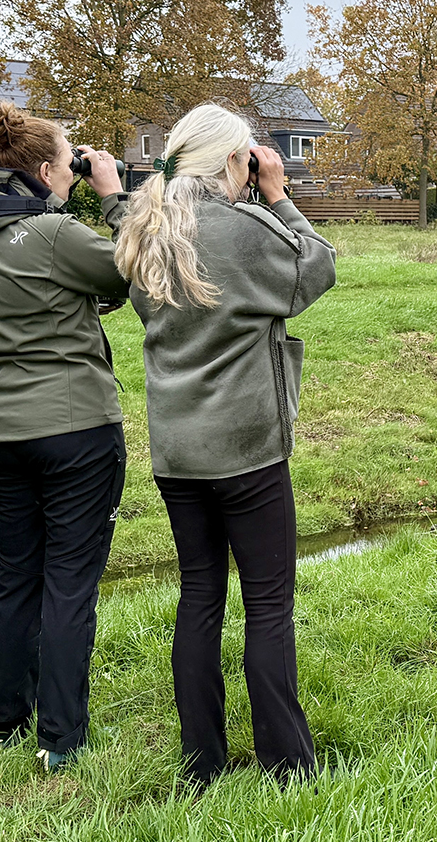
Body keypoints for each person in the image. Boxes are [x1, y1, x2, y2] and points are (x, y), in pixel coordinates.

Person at [109, 102, 336, 785]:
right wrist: (280, 196)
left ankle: (201, 761)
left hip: (177, 451)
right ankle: (287, 766)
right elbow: (315, 270)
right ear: (231, 162)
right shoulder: (242, 230)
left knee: (199, 595)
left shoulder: (146, 229)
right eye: (245, 157)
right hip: (248, 447)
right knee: (268, 604)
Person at [0, 101, 129, 770]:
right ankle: (61, 740)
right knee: (70, 581)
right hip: (75, 424)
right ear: (47, 169)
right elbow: (132, 269)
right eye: (69, 168)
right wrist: (112, 196)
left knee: (16, 574)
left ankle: (3, 721)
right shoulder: (55, 234)